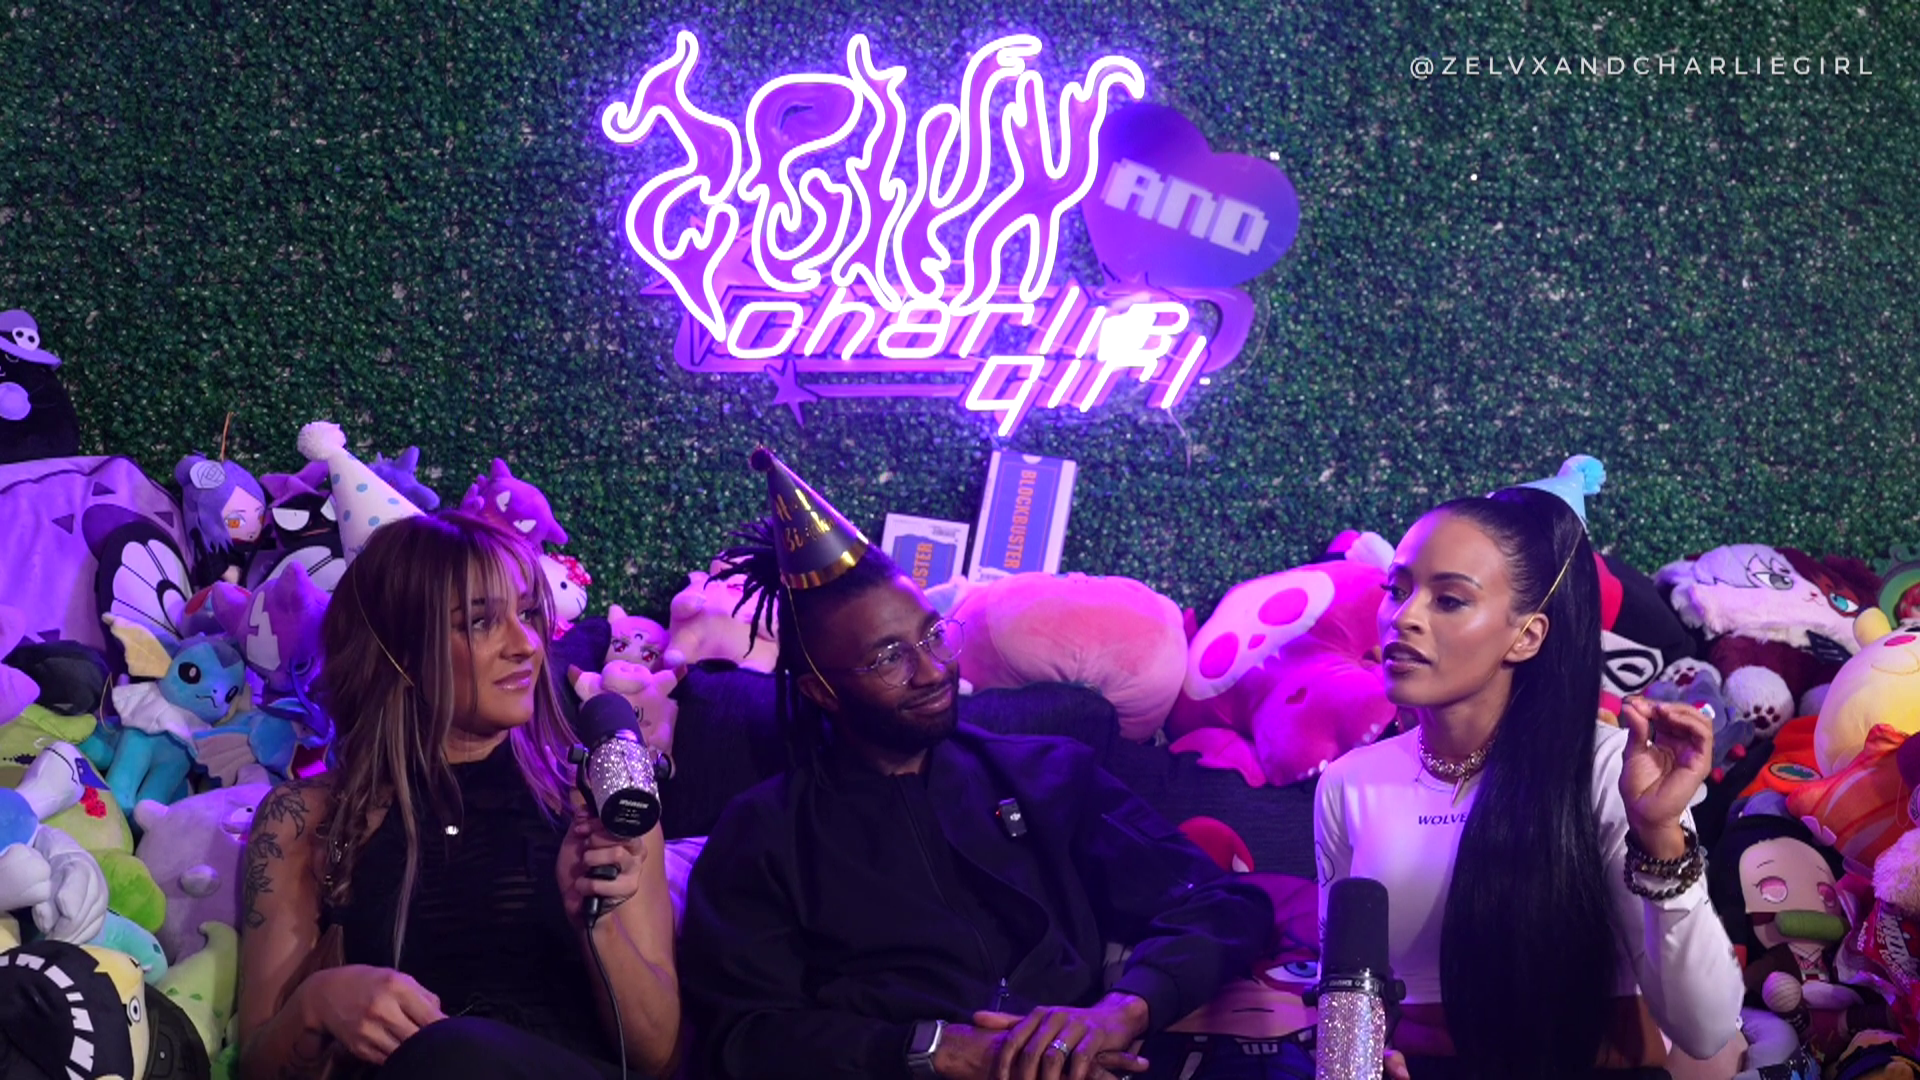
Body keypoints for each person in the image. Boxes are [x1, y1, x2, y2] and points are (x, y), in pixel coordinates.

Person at [678, 448, 1275, 1080]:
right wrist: (932, 1049)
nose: (933, 670)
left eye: (934, 635)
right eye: (889, 658)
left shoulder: (1048, 775)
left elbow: (1225, 904)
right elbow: (743, 1036)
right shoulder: (766, 833)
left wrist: (1122, 1010)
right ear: (821, 691)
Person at [1313, 486, 1744, 1080]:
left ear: (1528, 636)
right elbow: (1344, 998)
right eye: (1398, 588)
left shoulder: (1610, 769)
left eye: (1449, 600)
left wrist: (1660, 835)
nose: (1404, 616)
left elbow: (1706, 1027)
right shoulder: (1348, 783)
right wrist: (1364, 1060)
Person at [236, 511, 681, 1080]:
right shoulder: (304, 819)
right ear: (398, 649)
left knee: (456, 1050)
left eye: (528, 614)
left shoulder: (599, 798)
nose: (525, 645)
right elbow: (256, 1066)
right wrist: (318, 1004)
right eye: (479, 622)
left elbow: (659, 1057)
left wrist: (598, 922)